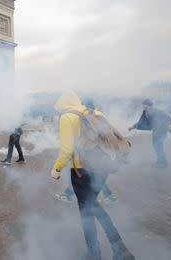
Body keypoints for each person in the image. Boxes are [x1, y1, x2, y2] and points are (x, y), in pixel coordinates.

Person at [50, 91, 134, 260]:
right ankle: (119, 248)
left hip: (82, 171)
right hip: (103, 167)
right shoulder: (95, 113)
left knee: (87, 211)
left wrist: (57, 168)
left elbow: (66, 150)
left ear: (62, 104)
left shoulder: (67, 117)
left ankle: (95, 253)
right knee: (93, 205)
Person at [55, 99, 117, 204]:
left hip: (92, 156)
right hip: (100, 156)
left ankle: (68, 195)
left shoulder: (88, 120)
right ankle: (109, 196)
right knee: (94, 177)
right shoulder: (97, 118)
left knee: (83, 175)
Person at [128, 99, 171, 168]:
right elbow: (141, 123)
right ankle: (161, 161)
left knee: (158, 147)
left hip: (160, 132)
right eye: (143, 104)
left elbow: (165, 119)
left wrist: (165, 127)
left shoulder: (157, 112)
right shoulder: (146, 112)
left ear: (148, 105)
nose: (143, 106)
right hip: (156, 132)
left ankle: (163, 163)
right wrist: (133, 127)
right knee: (157, 146)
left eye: (144, 104)